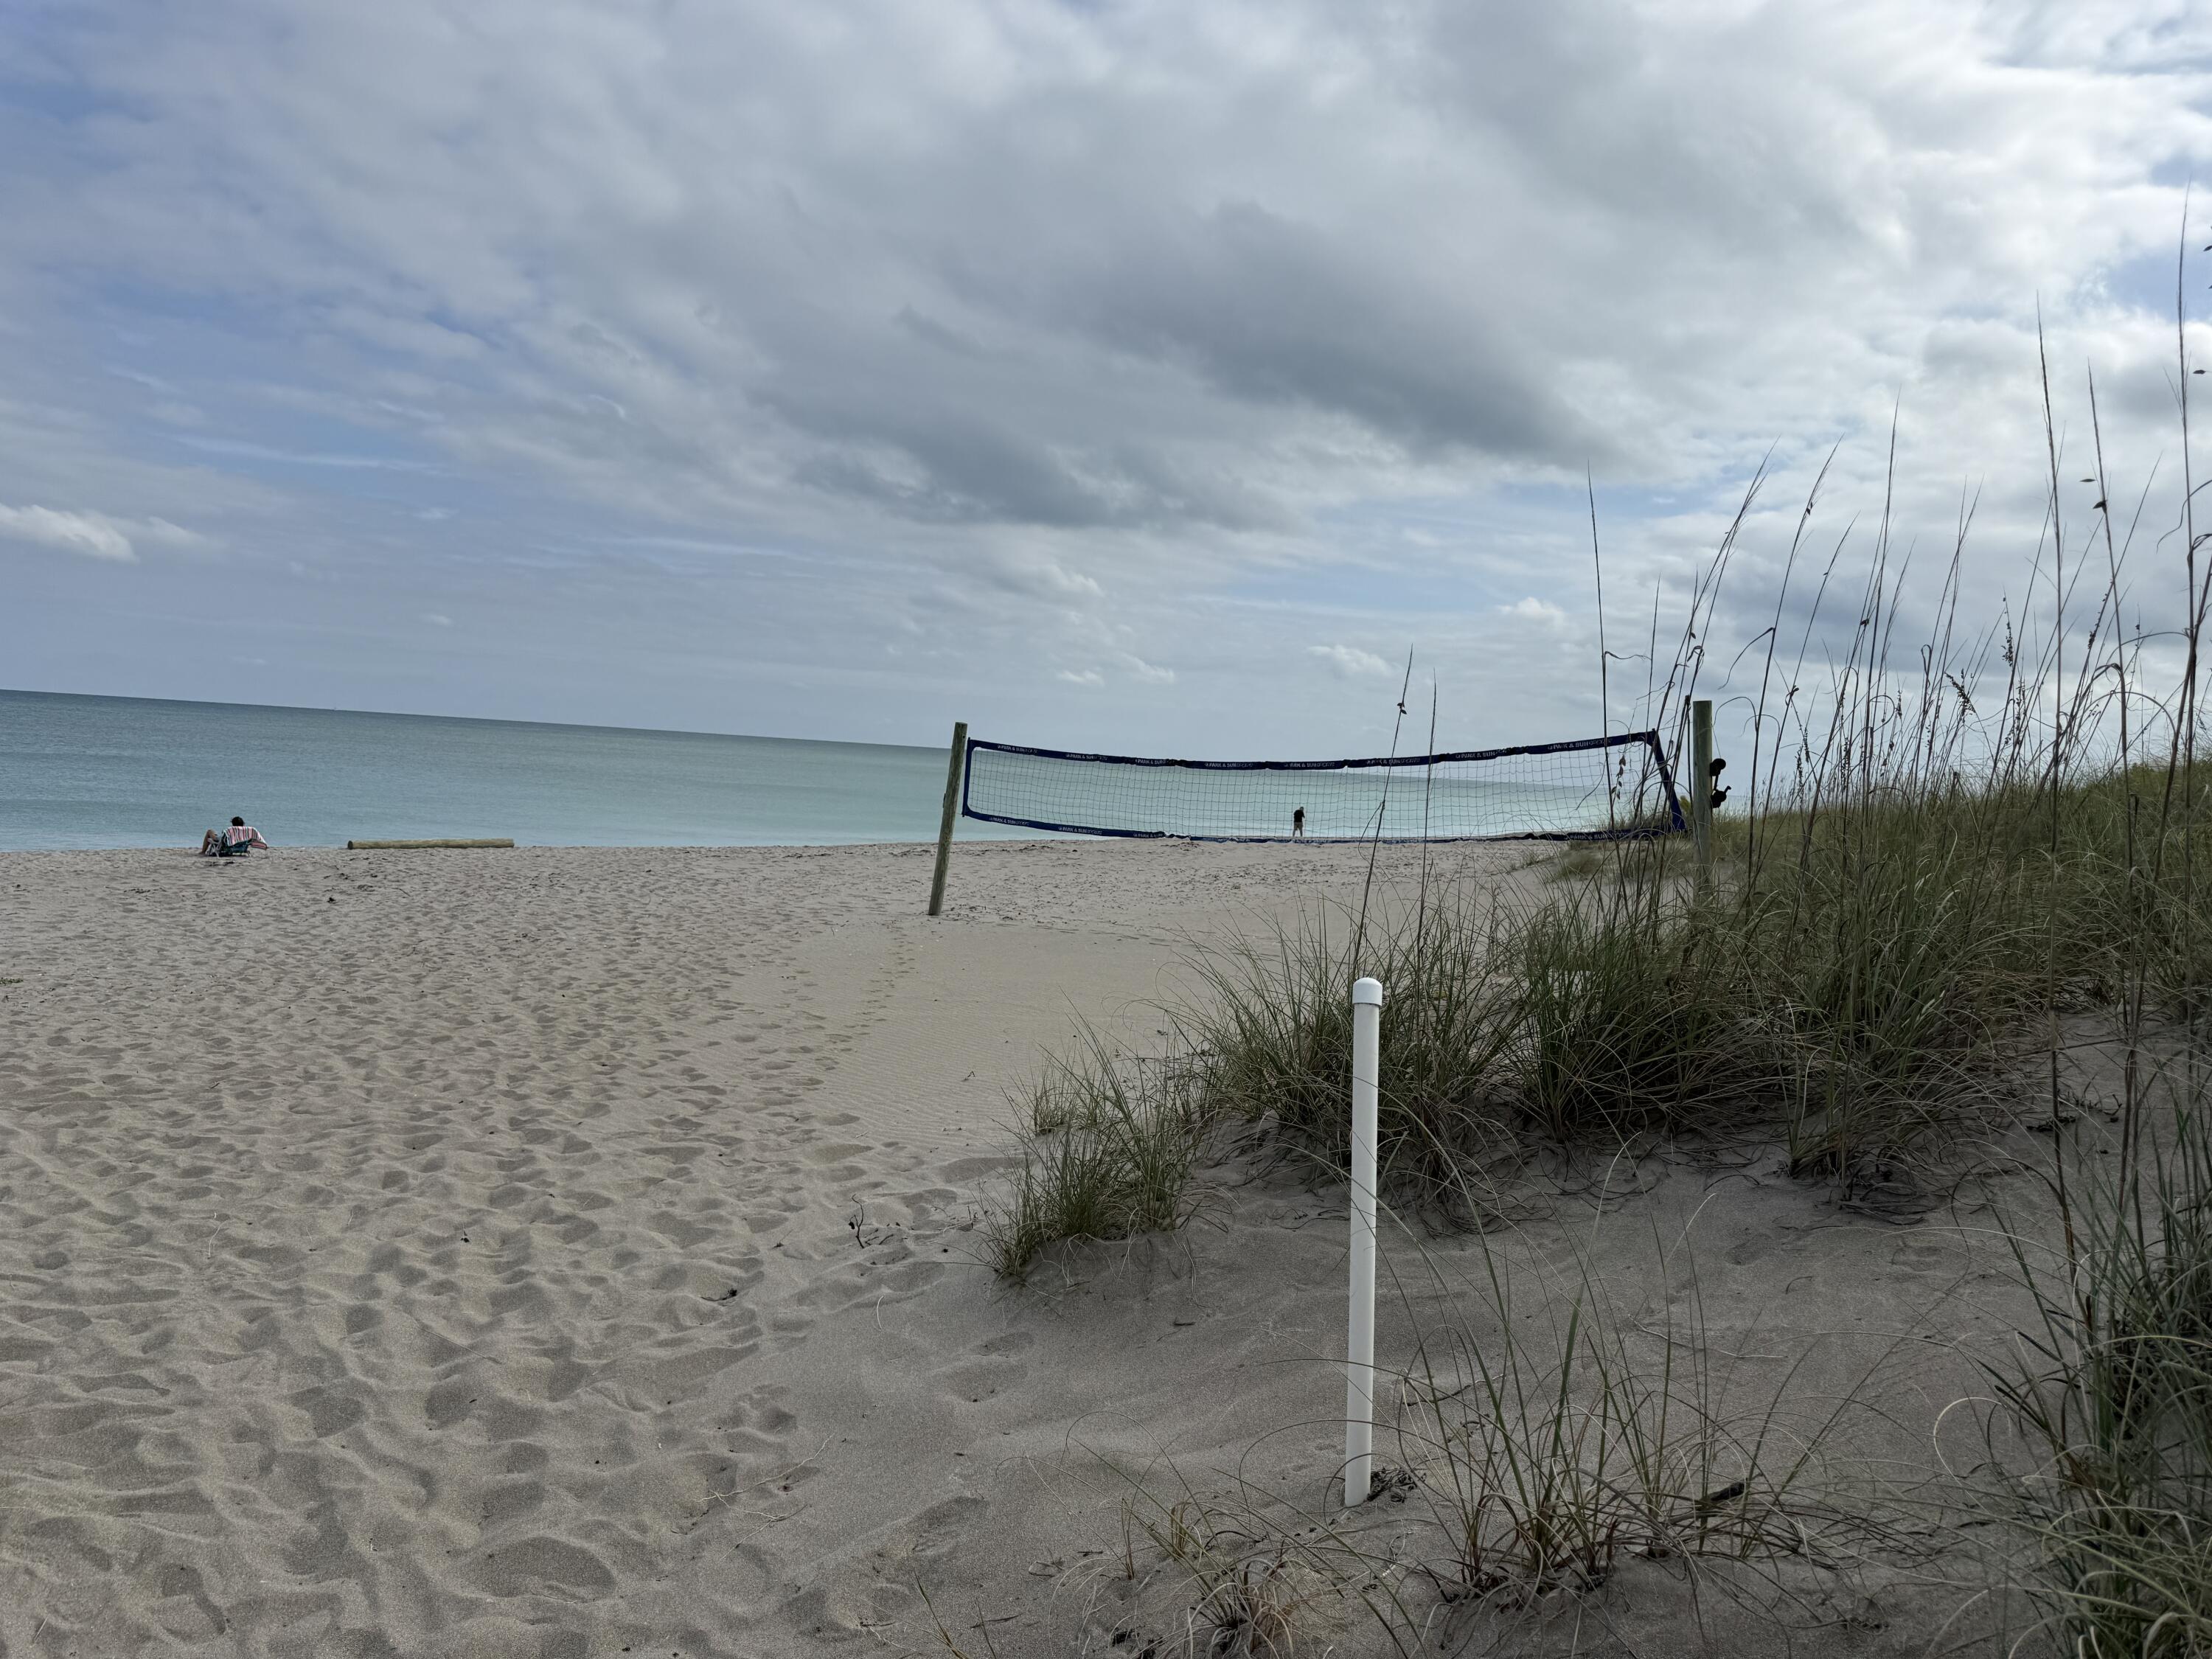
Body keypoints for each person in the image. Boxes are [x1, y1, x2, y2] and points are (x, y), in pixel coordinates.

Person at [200, 817, 271, 857]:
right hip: (241, 846)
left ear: (233, 824)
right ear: (243, 824)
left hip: (224, 842)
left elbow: (224, 839)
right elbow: (258, 839)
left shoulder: (230, 830)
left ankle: (203, 852)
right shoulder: (248, 832)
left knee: (210, 831)